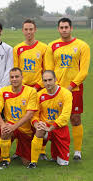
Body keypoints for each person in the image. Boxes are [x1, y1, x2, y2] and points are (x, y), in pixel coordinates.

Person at [45, 17, 90, 160]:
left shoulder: (82, 46)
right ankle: (43, 151)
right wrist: (54, 87)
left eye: (66, 27)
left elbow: (83, 72)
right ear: (58, 29)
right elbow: (49, 69)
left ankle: (77, 151)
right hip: (54, 89)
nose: (64, 30)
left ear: (71, 28)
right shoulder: (52, 46)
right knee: (51, 118)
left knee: (75, 119)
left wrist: (70, 87)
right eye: (61, 27)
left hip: (74, 89)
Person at [13, 19, 48, 160]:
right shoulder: (18, 48)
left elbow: (46, 70)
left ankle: (41, 150)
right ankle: (19, 150)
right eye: (26, 29)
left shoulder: (44, 48)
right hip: (23, 90)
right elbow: (16, 71)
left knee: (39, 118)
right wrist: (21, 87)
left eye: (31, 29)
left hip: (38, 89)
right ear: (22, 31)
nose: (28, 32)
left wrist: (37, 86)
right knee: (22, 119)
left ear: (35, 30)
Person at [0, 68, 37, 169]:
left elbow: (30, 114)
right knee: (5, 130)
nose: (14, 79)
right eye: (12, 77)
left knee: (26, 162)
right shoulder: (4, 91)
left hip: (26, 130)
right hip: (10, 126)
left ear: (22, 77)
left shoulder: (31, 91)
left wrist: (14, 126)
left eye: (17, 76)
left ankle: (20, 152)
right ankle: (5, 160)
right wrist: (2, 125)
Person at [28, 70, 72, 168]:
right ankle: (33, 162)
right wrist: (36, 124)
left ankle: (56, 153)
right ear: (42, 82)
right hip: (45, 127)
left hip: (59, 128)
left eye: (50, 80)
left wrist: (51, 127)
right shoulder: (39, 95)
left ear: (55, 80)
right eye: (45, 80)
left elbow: (65, 115)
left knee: (63, 162)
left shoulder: (66, 94)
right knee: (39, 130)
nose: (47, 83)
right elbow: (34, 115)